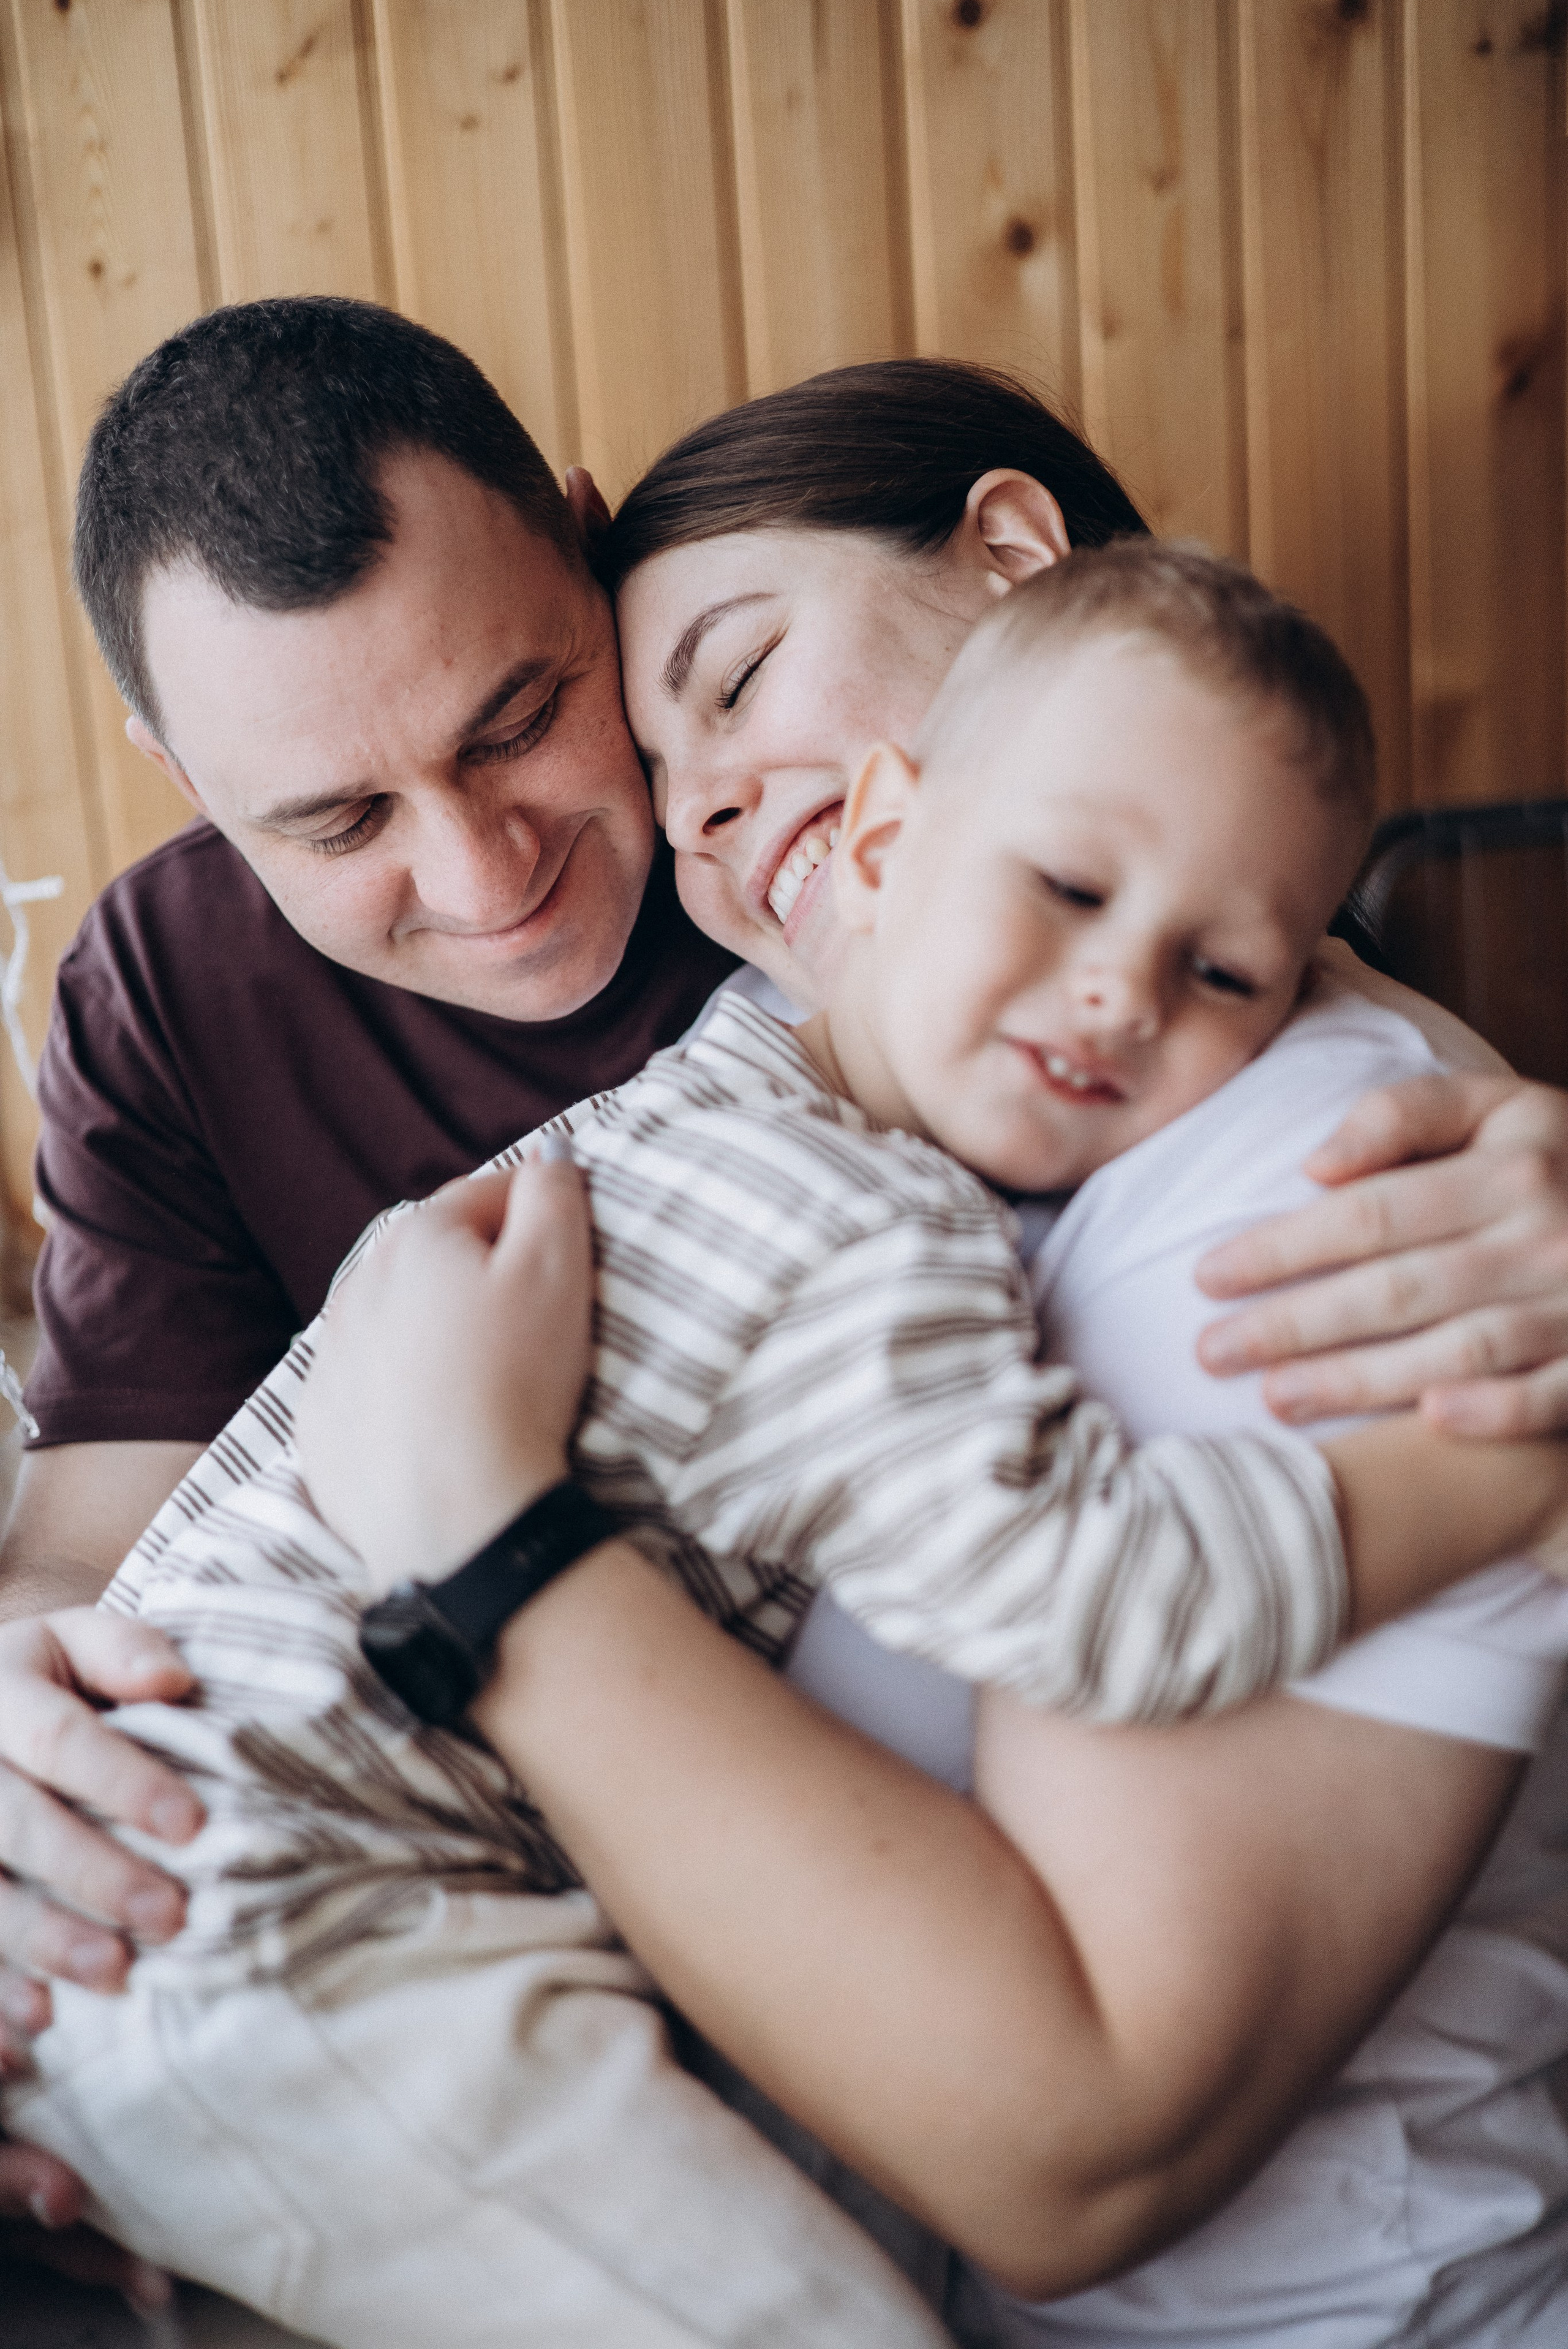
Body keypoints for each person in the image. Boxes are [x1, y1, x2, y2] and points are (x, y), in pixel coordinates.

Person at [2, 333, 1567, 2306]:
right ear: (187, 781)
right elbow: (86, 1545)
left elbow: (1082, 2124)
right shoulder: (789, 1006)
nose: (501, 875)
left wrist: (482, 1546)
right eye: (332, 822)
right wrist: (30, 1750)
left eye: (547, 718)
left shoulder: (1245, 1138)